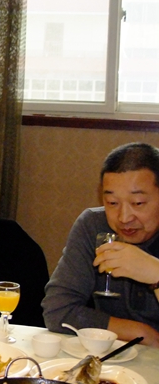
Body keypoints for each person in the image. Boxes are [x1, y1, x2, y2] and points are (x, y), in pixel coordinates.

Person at [42, 142, 159, 348]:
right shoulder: (94, 226)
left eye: (138, 203)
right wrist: (140, 332)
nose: (124, 218)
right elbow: (57, 310)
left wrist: (155, 274)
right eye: (112, 203)